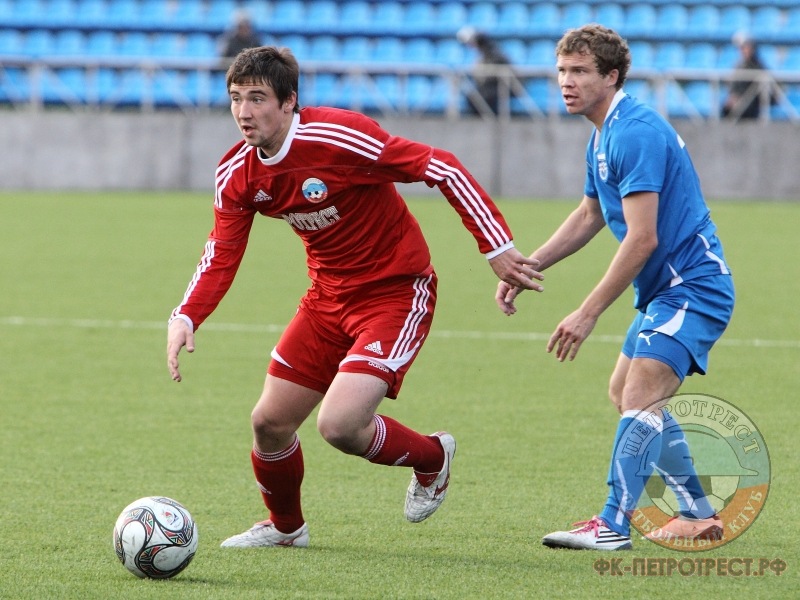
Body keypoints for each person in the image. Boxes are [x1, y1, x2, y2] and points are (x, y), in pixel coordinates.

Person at [167, 46, 543, 548]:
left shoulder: (337, 137)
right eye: (236, 98)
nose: (243, 111)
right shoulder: (237, 173)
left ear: (288, 101)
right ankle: (286, 528)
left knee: (340, 425)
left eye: (257, 98)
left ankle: (433, 457)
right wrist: (186, 315)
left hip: (396, 292)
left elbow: (444, 168)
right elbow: (222, 251)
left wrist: (496, 247)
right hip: (326, 300)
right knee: (269, 423)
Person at [495, 25, 734, 550]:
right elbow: (590, 214)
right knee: (624, 391)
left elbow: (643, 238)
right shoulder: (605, 132)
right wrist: (528, 265)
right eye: (562, 70)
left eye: (580, 71)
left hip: (692, 287)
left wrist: (587, 311)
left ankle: (612, 524)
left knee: (640, 396)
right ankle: (697, 514)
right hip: (669, 290)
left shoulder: (634, 133)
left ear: (612, 76)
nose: (566, 81)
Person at [456, 26, 514, 115]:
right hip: (490, 85)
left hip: (501, 84)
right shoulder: (483, 53)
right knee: (473, 96)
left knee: (480, 96)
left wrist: (482, 76)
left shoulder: (493, 53)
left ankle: (489, 117)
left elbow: (498, 71)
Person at [721, 32, 773, 120]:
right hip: (739, 99)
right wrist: (733, 96)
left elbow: (759, 89)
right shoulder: (739, 65)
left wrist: (740, 98)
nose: (744, 51)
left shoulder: (757, 66)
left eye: (746, 48)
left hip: (752, 103)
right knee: (725, 109)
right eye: (742, 48)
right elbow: (734, 85)